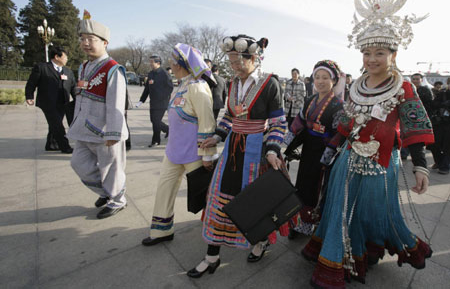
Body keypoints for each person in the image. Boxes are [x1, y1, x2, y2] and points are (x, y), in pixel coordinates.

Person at [302, 0, 433, 287]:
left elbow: (416, 124)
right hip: (348, 159)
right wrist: (332, 146)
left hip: (381, 162)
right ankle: (337, 259)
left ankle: (365, 251)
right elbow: (347, 120)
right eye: (367, 53)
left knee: (373, 211)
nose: (372, 59)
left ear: (393, 54)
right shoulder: (357, 84)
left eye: (379, 53)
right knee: (341, 210)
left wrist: (419, 165)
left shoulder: (403, 86)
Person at [187, 34, 287, 278]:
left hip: (257, 151)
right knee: (218, 199)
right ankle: (212, 255)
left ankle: (260, 241)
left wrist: (273, 150)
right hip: (232, 149)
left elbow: (277, 122)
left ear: (253, 59)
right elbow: (230, 117)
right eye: (231, 62)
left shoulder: (270, 84)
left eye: (237, 62)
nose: (234, 67)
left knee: (254, 201)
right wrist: (218, 136)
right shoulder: (233, 83)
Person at [141, 43, 217, 246]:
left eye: (172, 62)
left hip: (194, 154)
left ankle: (219, 230)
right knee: (164, 190)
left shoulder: (198, 87)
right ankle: (161, 231)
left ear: (181, 64)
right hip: (173, 152)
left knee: (208, 195)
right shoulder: (181, 85)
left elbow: (207, 122)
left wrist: (207, 154)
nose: (170, 65)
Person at [67, 11, 129, 219]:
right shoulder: (84, 66)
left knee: (112, 168)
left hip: (104, 132)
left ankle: (118, 200)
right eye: (82, 39)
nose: (86, 43)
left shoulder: (113, 69)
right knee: (78, 163)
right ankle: (107, 192)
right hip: (83, 129)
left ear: (105, 42)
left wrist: (113, 132)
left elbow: (116, 103)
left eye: (91, 39)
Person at [285, 60, 344, 237]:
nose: (320, 81)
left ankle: (312, 223)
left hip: (324, 151)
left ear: (333, 80)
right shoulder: (310, 100)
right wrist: (287, 142)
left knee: (317, 187)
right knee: (302, 184)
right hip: (308, 148)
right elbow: (299, 122)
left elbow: (339, 132)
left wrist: (330, 152)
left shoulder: (338, 105)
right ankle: (298, 221)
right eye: (317, 77)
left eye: (325, 78)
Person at [25, 46, 76, 153]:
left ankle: (51, 144)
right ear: (57, 57)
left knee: (54, 123)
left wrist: (77, 99)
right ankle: (65, 146)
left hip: (63, 102)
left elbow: (73, 87)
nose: (67, 59)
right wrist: (29, 96)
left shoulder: (68, 72)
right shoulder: (42, 68)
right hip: (47, 102)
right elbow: (31, 83)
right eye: (65, 57)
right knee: (57, 124)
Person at [136, 56, 173, 147]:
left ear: (158, 63)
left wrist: (163, 97)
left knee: (156, 121)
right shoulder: (151, 74)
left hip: (162, 102)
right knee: (153, 120)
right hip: (153, 102)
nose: (150, 64)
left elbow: (170, 87)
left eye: (152, 62)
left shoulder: (164, 73)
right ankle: (167, 129)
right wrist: (141, 100)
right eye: (150, 62)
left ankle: (156, 140)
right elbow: (147, 88)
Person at [430, 83, 450, 174]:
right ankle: (439, 162)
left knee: (447, 146)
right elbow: (434, 104)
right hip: (439, 123)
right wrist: (443, 104)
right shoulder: (443, 93)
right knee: (434, 144)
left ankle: (445, 166)